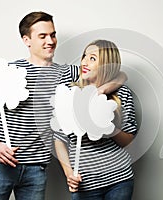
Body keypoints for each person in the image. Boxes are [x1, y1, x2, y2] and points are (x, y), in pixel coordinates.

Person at [0, 12, 127, 200]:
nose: (50, 41)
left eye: (53, 35)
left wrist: (100, 92)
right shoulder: (10, 70)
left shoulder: (67, 73)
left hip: (37, 169)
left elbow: (119, 76)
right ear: (26, 40)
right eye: (42, 36)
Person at [54, 39, 138, 200]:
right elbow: (59, 140)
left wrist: (108, 126)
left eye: (92, 58)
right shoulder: (70, 94)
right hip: (85, 184)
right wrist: (69, 173)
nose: (85, 62)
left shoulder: (123, 94)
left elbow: (128, 139)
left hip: (119, 180)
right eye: (84, 56)